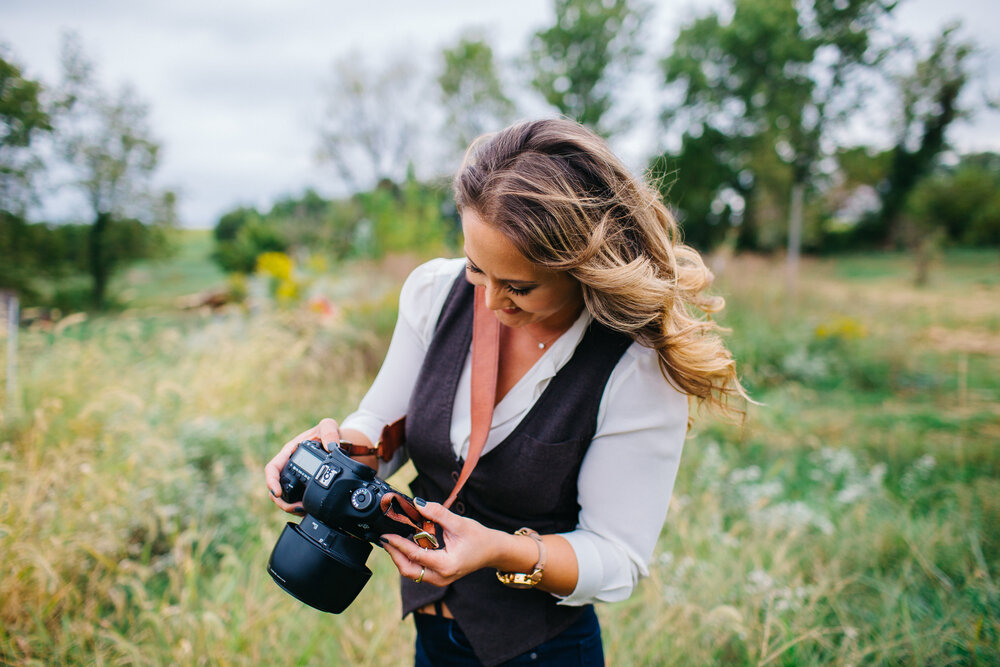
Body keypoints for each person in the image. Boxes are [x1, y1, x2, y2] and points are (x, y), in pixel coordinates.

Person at [265, 118, 746, 666]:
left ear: (585, 267)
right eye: (476, 268)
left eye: (520, 286)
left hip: (543, 651)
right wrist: (336, 453)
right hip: (432, 641)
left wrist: (499, 550)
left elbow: (617, 558)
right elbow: (382, 422)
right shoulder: (432, 293)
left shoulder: (636, 367)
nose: (491, 302)